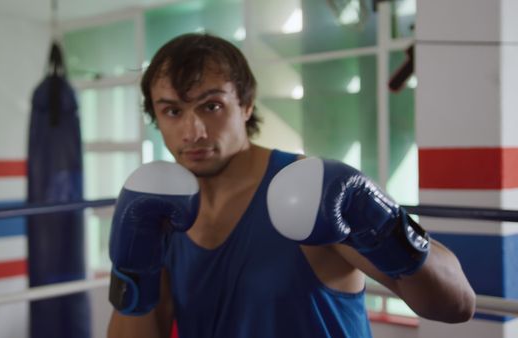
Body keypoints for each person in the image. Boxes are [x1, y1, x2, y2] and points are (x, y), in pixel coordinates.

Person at [107, 33, 475, 338]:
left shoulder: (309, 190)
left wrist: (381, 221)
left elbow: (456, 304)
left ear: (246, 104)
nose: (193, 132)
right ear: (156, 117)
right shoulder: (162, 211)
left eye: (211, 106)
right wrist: (133, 272)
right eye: (172, 111)